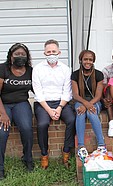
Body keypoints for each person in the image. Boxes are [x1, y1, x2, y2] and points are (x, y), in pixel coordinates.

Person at [32, 39, 75, 169]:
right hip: (43, 103)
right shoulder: (37, 69)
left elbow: (67, 91)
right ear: (44, 53)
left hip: (61, 102)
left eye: (54, 52)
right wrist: (50, 111)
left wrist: (59, 108)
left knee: (72, 120)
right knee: (42, 124)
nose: (51, 54)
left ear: (59, 52)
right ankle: (44, 155)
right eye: (49, 52)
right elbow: (38, 92)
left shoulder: (66, 69)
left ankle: (66, 152)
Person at [0, 43, 34, 180]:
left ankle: (27, 159)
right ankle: (0, 167)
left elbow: (38, 91)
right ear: (11, 56)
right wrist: (3, 114)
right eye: (17, 54)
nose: (20, 57)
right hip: (4, 104)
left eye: (23, 54)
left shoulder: (30, 71)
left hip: (21, 103)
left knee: (26, 128)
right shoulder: (3, 69)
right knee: (2, 133)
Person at [71, 50, 106, 160]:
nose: (88, 62)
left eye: (90, 59)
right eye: (85, 59)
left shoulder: (99, 74)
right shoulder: (75, 74)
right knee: (80, 113)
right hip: (80, 101)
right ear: (81, 60)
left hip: (94, 101)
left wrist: (87, 105)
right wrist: (85, 104)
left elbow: (98, 95)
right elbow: (75, 95)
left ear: (93, 61)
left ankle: (101, 145)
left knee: (91, 112)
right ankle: (81, 146)